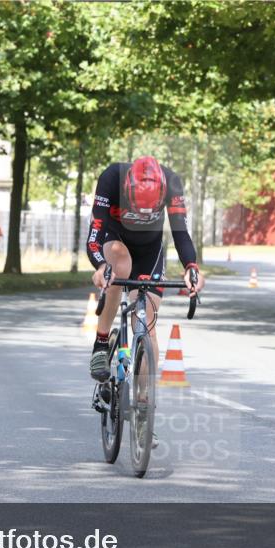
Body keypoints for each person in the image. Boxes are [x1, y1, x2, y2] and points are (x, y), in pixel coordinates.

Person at [87, 155, 205, 381]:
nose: (142, 215)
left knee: (146, 323)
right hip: (115, 239)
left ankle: (143, 402)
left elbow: (181, 233)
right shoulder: (111, 178)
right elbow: (95, 234)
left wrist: (191, 267)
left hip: (149, 249)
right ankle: (101, 343)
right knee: (119, 266)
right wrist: (101, 266)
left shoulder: (172, 182)